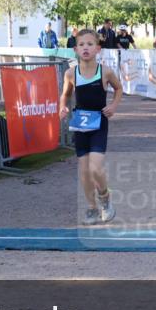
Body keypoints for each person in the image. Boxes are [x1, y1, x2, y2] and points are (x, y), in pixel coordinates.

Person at [59, 29, 123, 224]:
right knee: (84, 169)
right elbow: (66, 95)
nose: (85, 48)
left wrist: (113, 105)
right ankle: (92, 208)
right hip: (80, 123)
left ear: (98, 49)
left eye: (89, 44)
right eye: (81, 45)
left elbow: (119, 89)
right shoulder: (71, 73)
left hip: (99, 122)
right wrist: (62, 107)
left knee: (96, 167)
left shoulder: (105, 72)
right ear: (75, 49)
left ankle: (105, 198)